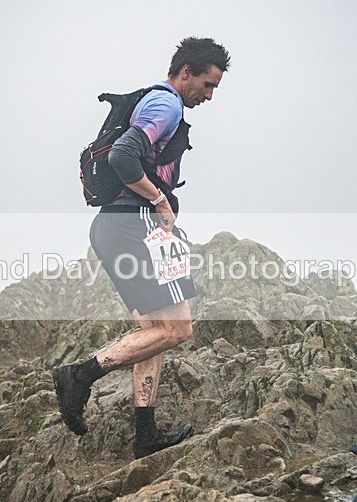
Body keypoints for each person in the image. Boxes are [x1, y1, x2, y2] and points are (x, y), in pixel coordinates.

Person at [53, 37, 230, 459]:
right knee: (177, 329)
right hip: (136, 225)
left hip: (119, 227)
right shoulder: (165, 104)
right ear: (186, 72)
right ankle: (79, 375)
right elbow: (124, 157)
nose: (208, 96)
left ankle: (145, 433)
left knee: (156, 333)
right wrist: (159, 200)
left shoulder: (156, 102)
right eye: (207, 85)